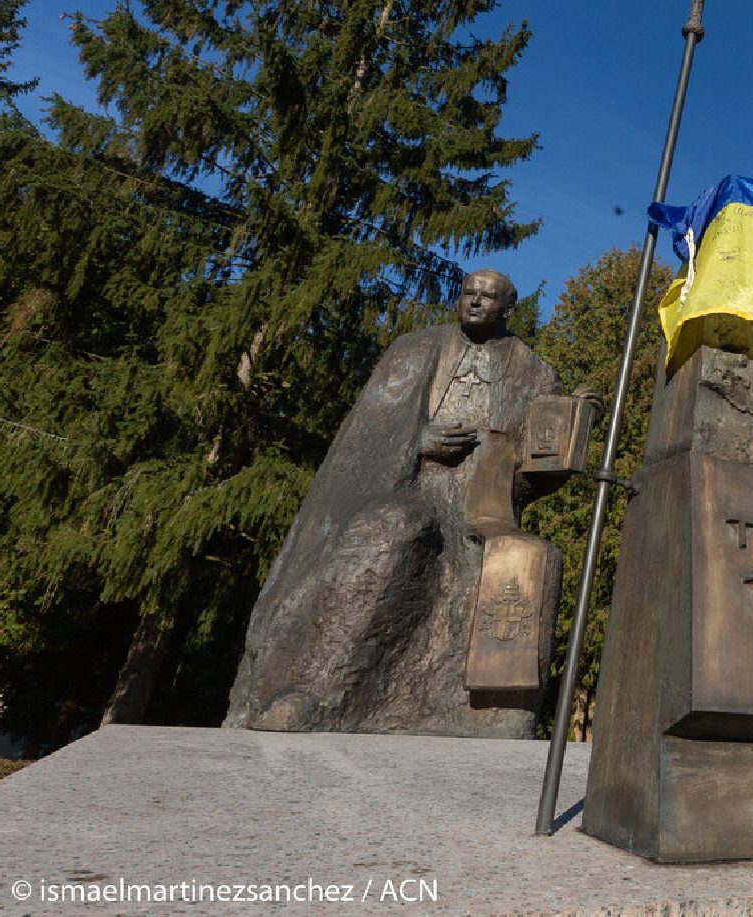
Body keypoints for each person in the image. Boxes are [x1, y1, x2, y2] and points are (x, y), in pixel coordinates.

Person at [226, 269, 564, 738]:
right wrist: (417, 441)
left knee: (533, 559)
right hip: (411, 488)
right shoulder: (413, 349)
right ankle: (308, 692)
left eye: (488, 298)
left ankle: (491, 714)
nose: (474, 302)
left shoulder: (536, 373)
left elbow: (530, 481)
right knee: (393, 527)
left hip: (481, 507)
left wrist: (572, 429)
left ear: (508, 309)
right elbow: (365, 435)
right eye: (468, 292)